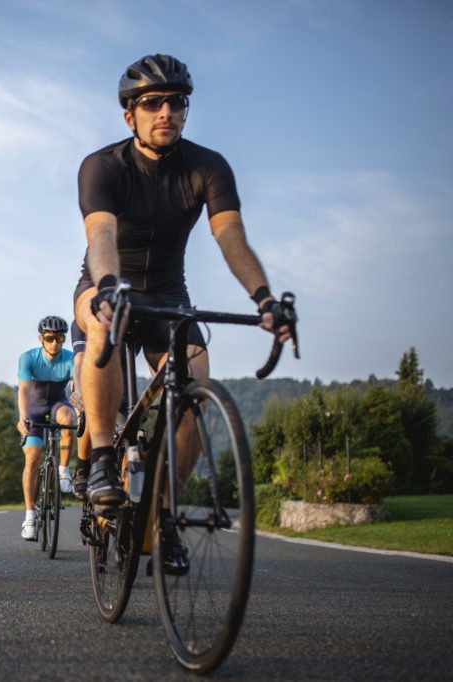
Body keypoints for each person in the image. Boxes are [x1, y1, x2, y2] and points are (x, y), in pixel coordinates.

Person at [73, 54, 293, 574]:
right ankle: (102, 457)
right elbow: (101, 234)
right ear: (131, 115)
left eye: (175, 102)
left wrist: (263, 297)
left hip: (169, 294)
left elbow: (230, 237)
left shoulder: (207, 166)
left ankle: (163, 515)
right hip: (106, 282)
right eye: (152, 103)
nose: (165, 111)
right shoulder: (102, 165)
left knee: (194, 385)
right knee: (102, 323)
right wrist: (108, 288)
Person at [16, 316, 77, 541]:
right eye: (50, 338)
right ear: (41, 339)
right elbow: (23, 390)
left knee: (68, 418)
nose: (55, 343)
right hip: (34, 409)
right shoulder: (29, 358)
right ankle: (30, 517)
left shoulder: (71, 358)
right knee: (32, 458)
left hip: (59, 402)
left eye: (60, 338)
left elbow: (78, 386)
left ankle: (63, 472)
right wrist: (23, 417)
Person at [68, 320, 92, 498]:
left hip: (121, 381)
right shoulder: (82, 323)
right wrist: (79, 388)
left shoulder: (133, 318)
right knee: (87, 413)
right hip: (88, 379)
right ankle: (83, 468)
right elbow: (80, 361)